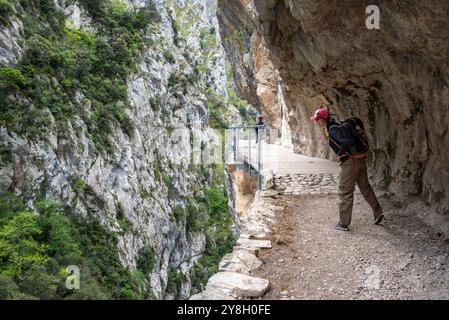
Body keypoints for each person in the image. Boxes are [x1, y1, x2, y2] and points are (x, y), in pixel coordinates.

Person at [310, 108, 384, 231]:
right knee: (365, 188)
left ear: (323, 120)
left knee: (344, 192)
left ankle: (343, 223)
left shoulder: (333, 130)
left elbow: (346, 142)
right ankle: (378, 212)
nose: (316, 122)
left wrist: (339, 154)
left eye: (317, 120)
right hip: (360, 159)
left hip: (350, 162)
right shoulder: (338, 124)